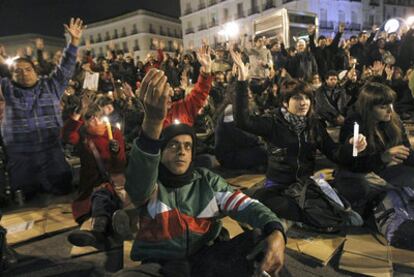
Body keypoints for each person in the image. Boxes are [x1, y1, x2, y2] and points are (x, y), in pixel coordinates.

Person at [117, 68, 286, 277]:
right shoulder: (152, 184)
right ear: (160, 152)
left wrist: (276, 230)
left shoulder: (207, 182)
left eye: (188, 146)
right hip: (161, 265)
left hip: (207, 259)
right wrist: (152, 122)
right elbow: (138, 186)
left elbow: (247, 206)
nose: (182, 151)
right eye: (173, 146)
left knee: (264, 243)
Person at [231, 47, 367, 227]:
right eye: (296, 98)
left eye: (307, 98)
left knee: (346, 212)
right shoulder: (273, 123)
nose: (303, 103)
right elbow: (243, 121)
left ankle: (298, 215)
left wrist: (352, 147)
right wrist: (242, 81)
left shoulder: (314, 125)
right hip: (277, 187)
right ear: (286, 103)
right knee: (268, 203)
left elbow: (333, 152)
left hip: (304, 185)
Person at [0, 18, 84, 199]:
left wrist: (74, 42)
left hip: (50, 152)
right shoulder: (6, 89)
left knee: (62, 190)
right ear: (11, 75)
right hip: (20, 155)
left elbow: (66, 67)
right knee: (26, 198)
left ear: (36, 71)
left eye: (27, 69)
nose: (23, 73)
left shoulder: (51, 86)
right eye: (18, 71)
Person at [335, 82, 414, 249]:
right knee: (380, 192)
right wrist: (383, 157)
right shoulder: (355, 124)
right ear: (369, 107)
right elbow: (352, 164)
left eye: (391, 104)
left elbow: (406, 153)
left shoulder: (394, 121)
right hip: (361, 175)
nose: (390, 110)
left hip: (389, 173)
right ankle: (392, 223)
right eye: (383, 106)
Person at [62, 104, 126, 248]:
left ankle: (101, 230)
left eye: (99, 118)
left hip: (115, 181)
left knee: (108, 198)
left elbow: (120, 165)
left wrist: (116, 152)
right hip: (91, 184)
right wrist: (76, 115)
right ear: (85, 122)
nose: (97, 122)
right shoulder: (83, 135)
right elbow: (67, 135)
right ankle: (100, 230)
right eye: (92, 119)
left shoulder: (114, 133)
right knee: (99, 199)